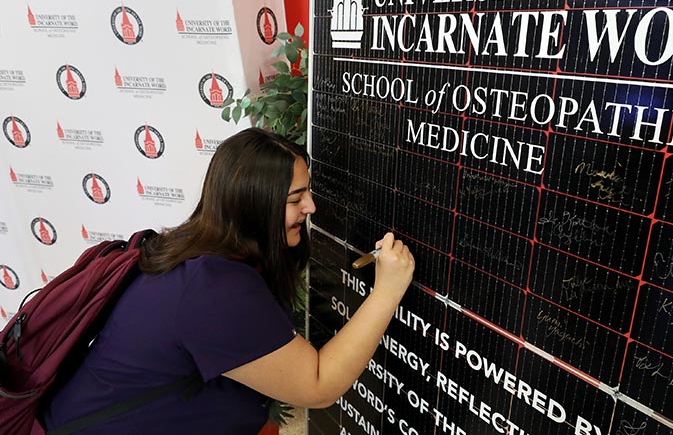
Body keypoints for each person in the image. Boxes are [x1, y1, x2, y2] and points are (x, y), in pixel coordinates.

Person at [42, 128, 415, 434]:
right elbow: (317, 385)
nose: (311, 208)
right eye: (295, 199)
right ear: (255, 204)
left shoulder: (201, 253)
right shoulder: (213, 289)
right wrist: (387, 291)